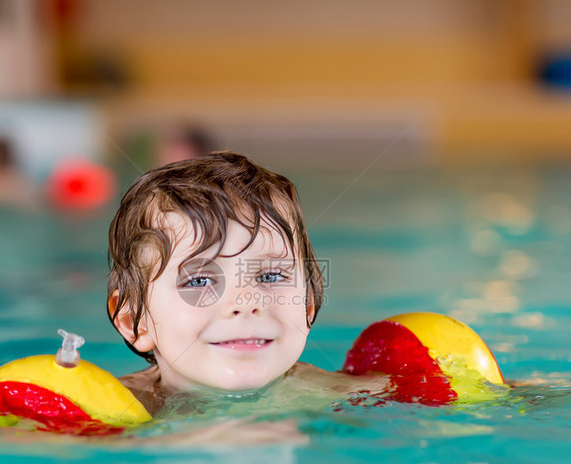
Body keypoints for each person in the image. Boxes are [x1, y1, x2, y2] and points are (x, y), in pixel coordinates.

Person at [106, 151, 386, 419]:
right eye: (200, 281)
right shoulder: (111, 412)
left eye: (270, 276)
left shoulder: (352, 399)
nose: (245, 302)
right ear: (134, 321)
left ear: (308, 304)